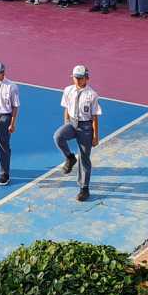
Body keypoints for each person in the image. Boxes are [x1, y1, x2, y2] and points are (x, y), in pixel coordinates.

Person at [55, 64, 101, 202]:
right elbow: (66, 108)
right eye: (75, 77)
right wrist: (66, 124)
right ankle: (70, 158)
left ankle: (84, 188)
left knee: (84, 158)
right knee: (58, 136)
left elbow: (94, 116)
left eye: (80, 78)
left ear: (86, 78)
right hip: (72, 123)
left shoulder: (92, 95)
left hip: (86, 127)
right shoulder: (68, 90)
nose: (77, 80)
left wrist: (95, 136)